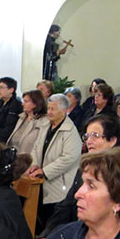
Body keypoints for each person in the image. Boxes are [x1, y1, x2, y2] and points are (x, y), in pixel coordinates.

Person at [36, 114, 120, 239]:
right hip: (76, 234)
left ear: (112, 141)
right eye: (87, 136)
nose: (89, 141)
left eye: (95, 136)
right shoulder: (85, 168)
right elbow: (67, 204)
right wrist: (47, 234)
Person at [27, 93, 82, 229]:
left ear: (63, 111)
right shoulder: (46, 126)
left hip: (59, 185)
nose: (49, 112)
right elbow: (36, 148)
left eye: (52, 109)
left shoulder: (70, 131)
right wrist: (34, 164)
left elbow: (69, 158)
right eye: (48, 108)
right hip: (41, 183)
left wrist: (45, 171)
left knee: (52, 222)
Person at [7, 89, 49, 157]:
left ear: (35, 104)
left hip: (28, 159)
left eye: (26, 101)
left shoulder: (43, 121)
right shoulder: (22, 117)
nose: (23, 104)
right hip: (13, 156)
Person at [0, 76, 23, 142]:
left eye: (1, 87)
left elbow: (9, 128)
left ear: (11, 90)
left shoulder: (15, 105)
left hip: (2, 141)